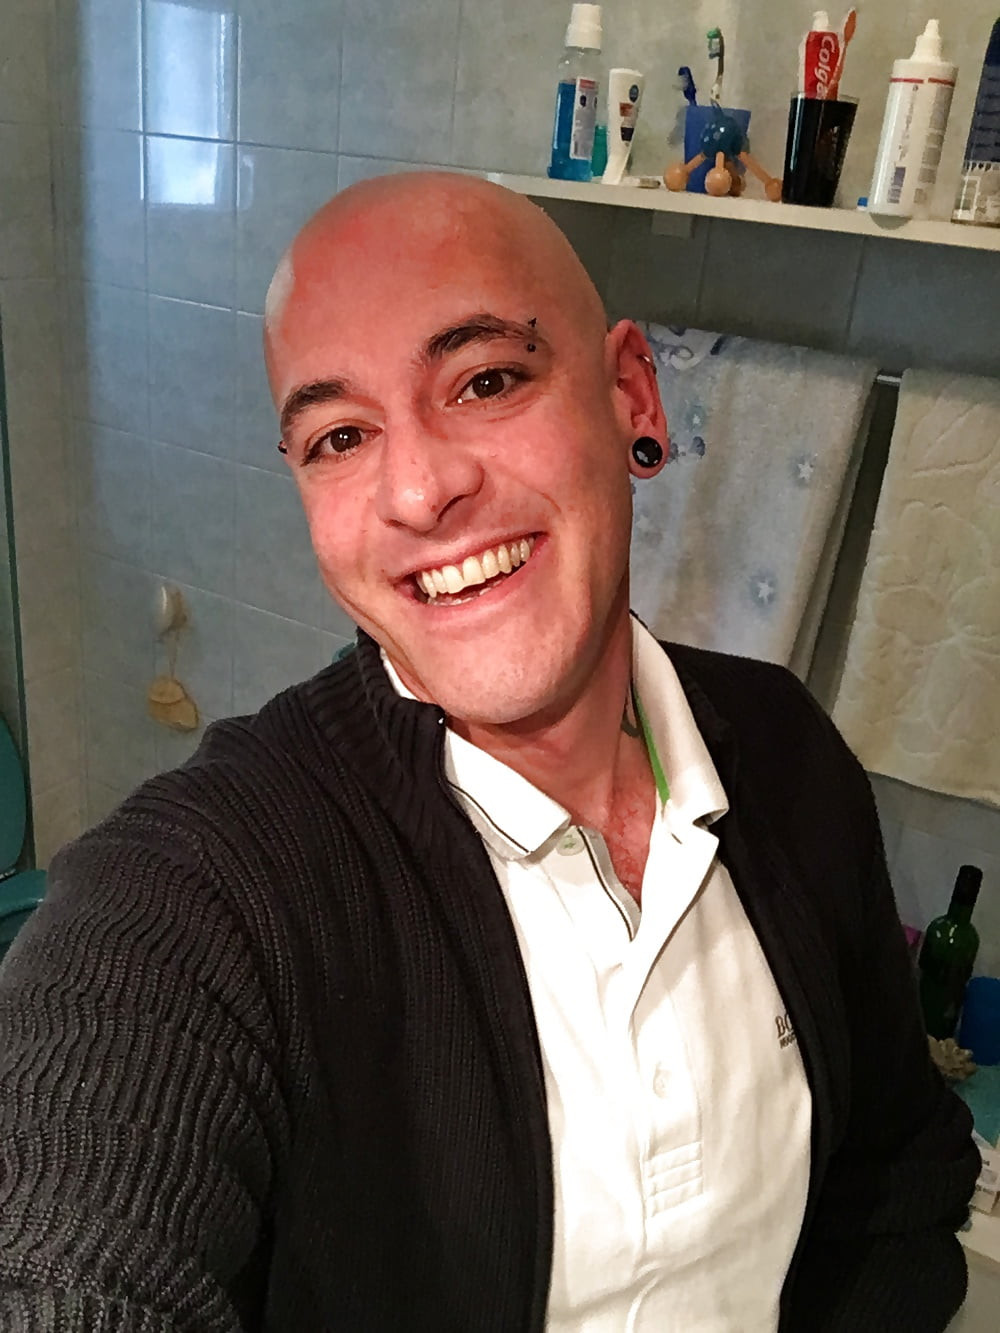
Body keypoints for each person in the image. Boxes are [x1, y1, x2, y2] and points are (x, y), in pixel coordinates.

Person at [0, 172, 979, 1332]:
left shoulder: (787, 754)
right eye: (340, 436)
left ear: (630, 395)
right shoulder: (211, 881)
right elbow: (72, 1233)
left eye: (487, 380)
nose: (419, 489)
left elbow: (896, 1176)